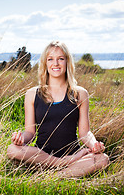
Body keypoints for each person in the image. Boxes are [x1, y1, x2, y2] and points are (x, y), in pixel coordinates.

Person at [7, 41, 109, 177]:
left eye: (61, 59)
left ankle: (53, 177)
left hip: (73, 154)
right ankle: (61, 165)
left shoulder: (80, 93)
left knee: (102, 159)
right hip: (42, 156)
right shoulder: (32, 94)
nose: (55, 63)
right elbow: (30, 133)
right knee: (13, 149)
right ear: (45, 63)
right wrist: (20, 139)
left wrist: (94, 144)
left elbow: (85, 133)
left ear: (67, 62)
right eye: (50, 59)